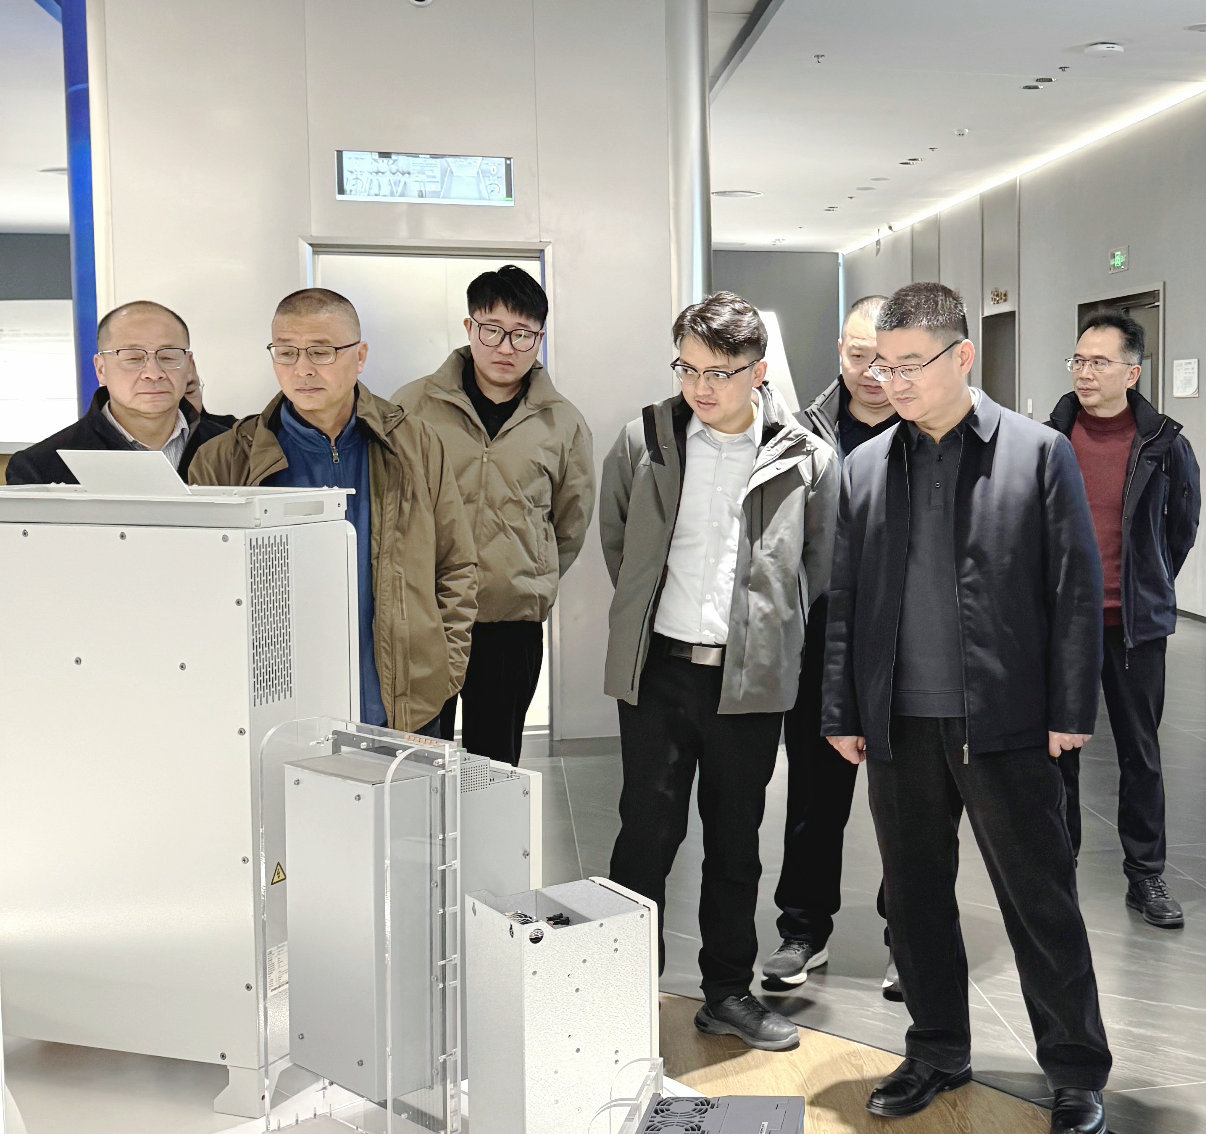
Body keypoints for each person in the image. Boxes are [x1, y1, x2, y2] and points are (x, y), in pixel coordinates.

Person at [822, 283, 1111, 1134]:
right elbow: (845, 599)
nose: (894, 381)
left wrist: (1070, 707)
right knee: (913, 900)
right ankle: (937, 1050)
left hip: (1009, 719)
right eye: (883, 365)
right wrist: (843, 708)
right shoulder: (865, 467)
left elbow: (1075, 588)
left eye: (911, 364)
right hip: (900, 723)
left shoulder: (1037, 453)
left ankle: (1075, 1073)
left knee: (1040, 902)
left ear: (963, 357)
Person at [600, 291, 838, 1052]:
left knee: (735, 845)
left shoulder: (805, 457)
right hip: (659, 672)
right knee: (645, 834)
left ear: (758, 371)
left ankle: (727, 993)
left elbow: (819, 566)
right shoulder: (644, 440)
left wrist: (768, 635)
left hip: (749, 684)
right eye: (687, 368)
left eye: (719, 372)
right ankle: (623, 989)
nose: (699, 387)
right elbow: (618, 544)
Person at [190, 287, 477, 736]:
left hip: (404, 705)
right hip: (278, 712)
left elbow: (456, 565)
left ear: (359, 356)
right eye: (286, 352)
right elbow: (202, 588)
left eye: (321, 352)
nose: (303, 369)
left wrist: (444, 671)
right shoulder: (225, 460)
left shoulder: (416, 444)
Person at [393, 266, 594, 765]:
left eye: (523, 334)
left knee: (495, 767)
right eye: (492, 330)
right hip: (426, 616)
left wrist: (530, 573)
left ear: (539, 338)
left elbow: (570, 522)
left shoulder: (563, 422)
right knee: (418, 761)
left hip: (509, 622)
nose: (506, 347)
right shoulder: (412, 406)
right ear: (469, 327)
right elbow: (389, 504)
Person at [764, 294, 903, 998]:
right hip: (819, 639)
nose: (871, 372)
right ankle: (803, 930)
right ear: (839, 352)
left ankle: (908, 937)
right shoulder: (800, 428)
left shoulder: (932, 425)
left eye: (885, 358)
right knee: (814, 799)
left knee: (909, 803)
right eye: (857, 355)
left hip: (907, 644)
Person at [1048, 310, 1200, 928]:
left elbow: (1180, 530)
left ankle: (1146, 875)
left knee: (1140, 752)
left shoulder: (1165, 444)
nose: (1085, 372)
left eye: (1099, 362)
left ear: (1132, 373)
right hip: (1063, 623)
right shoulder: (1050, 439)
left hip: (1135, 625)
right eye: (1079, 360)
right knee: (1059, 751)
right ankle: (1057, 870)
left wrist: (1147, 583)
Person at [6, 300, 228, 485]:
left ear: (189, 365)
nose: (153, 373)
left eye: (168, 356)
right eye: (133, 358)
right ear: (101, 369)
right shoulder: (41, 466)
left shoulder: (235, 450)